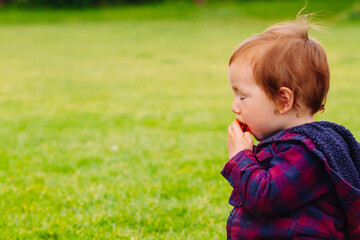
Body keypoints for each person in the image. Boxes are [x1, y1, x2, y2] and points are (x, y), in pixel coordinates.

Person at [221, 14, 360, 240]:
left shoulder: (307, 153)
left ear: (283, 100)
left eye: (242, 97)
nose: (234, 107)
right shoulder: (289, 145)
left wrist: (240, 157)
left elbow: (264, 198)